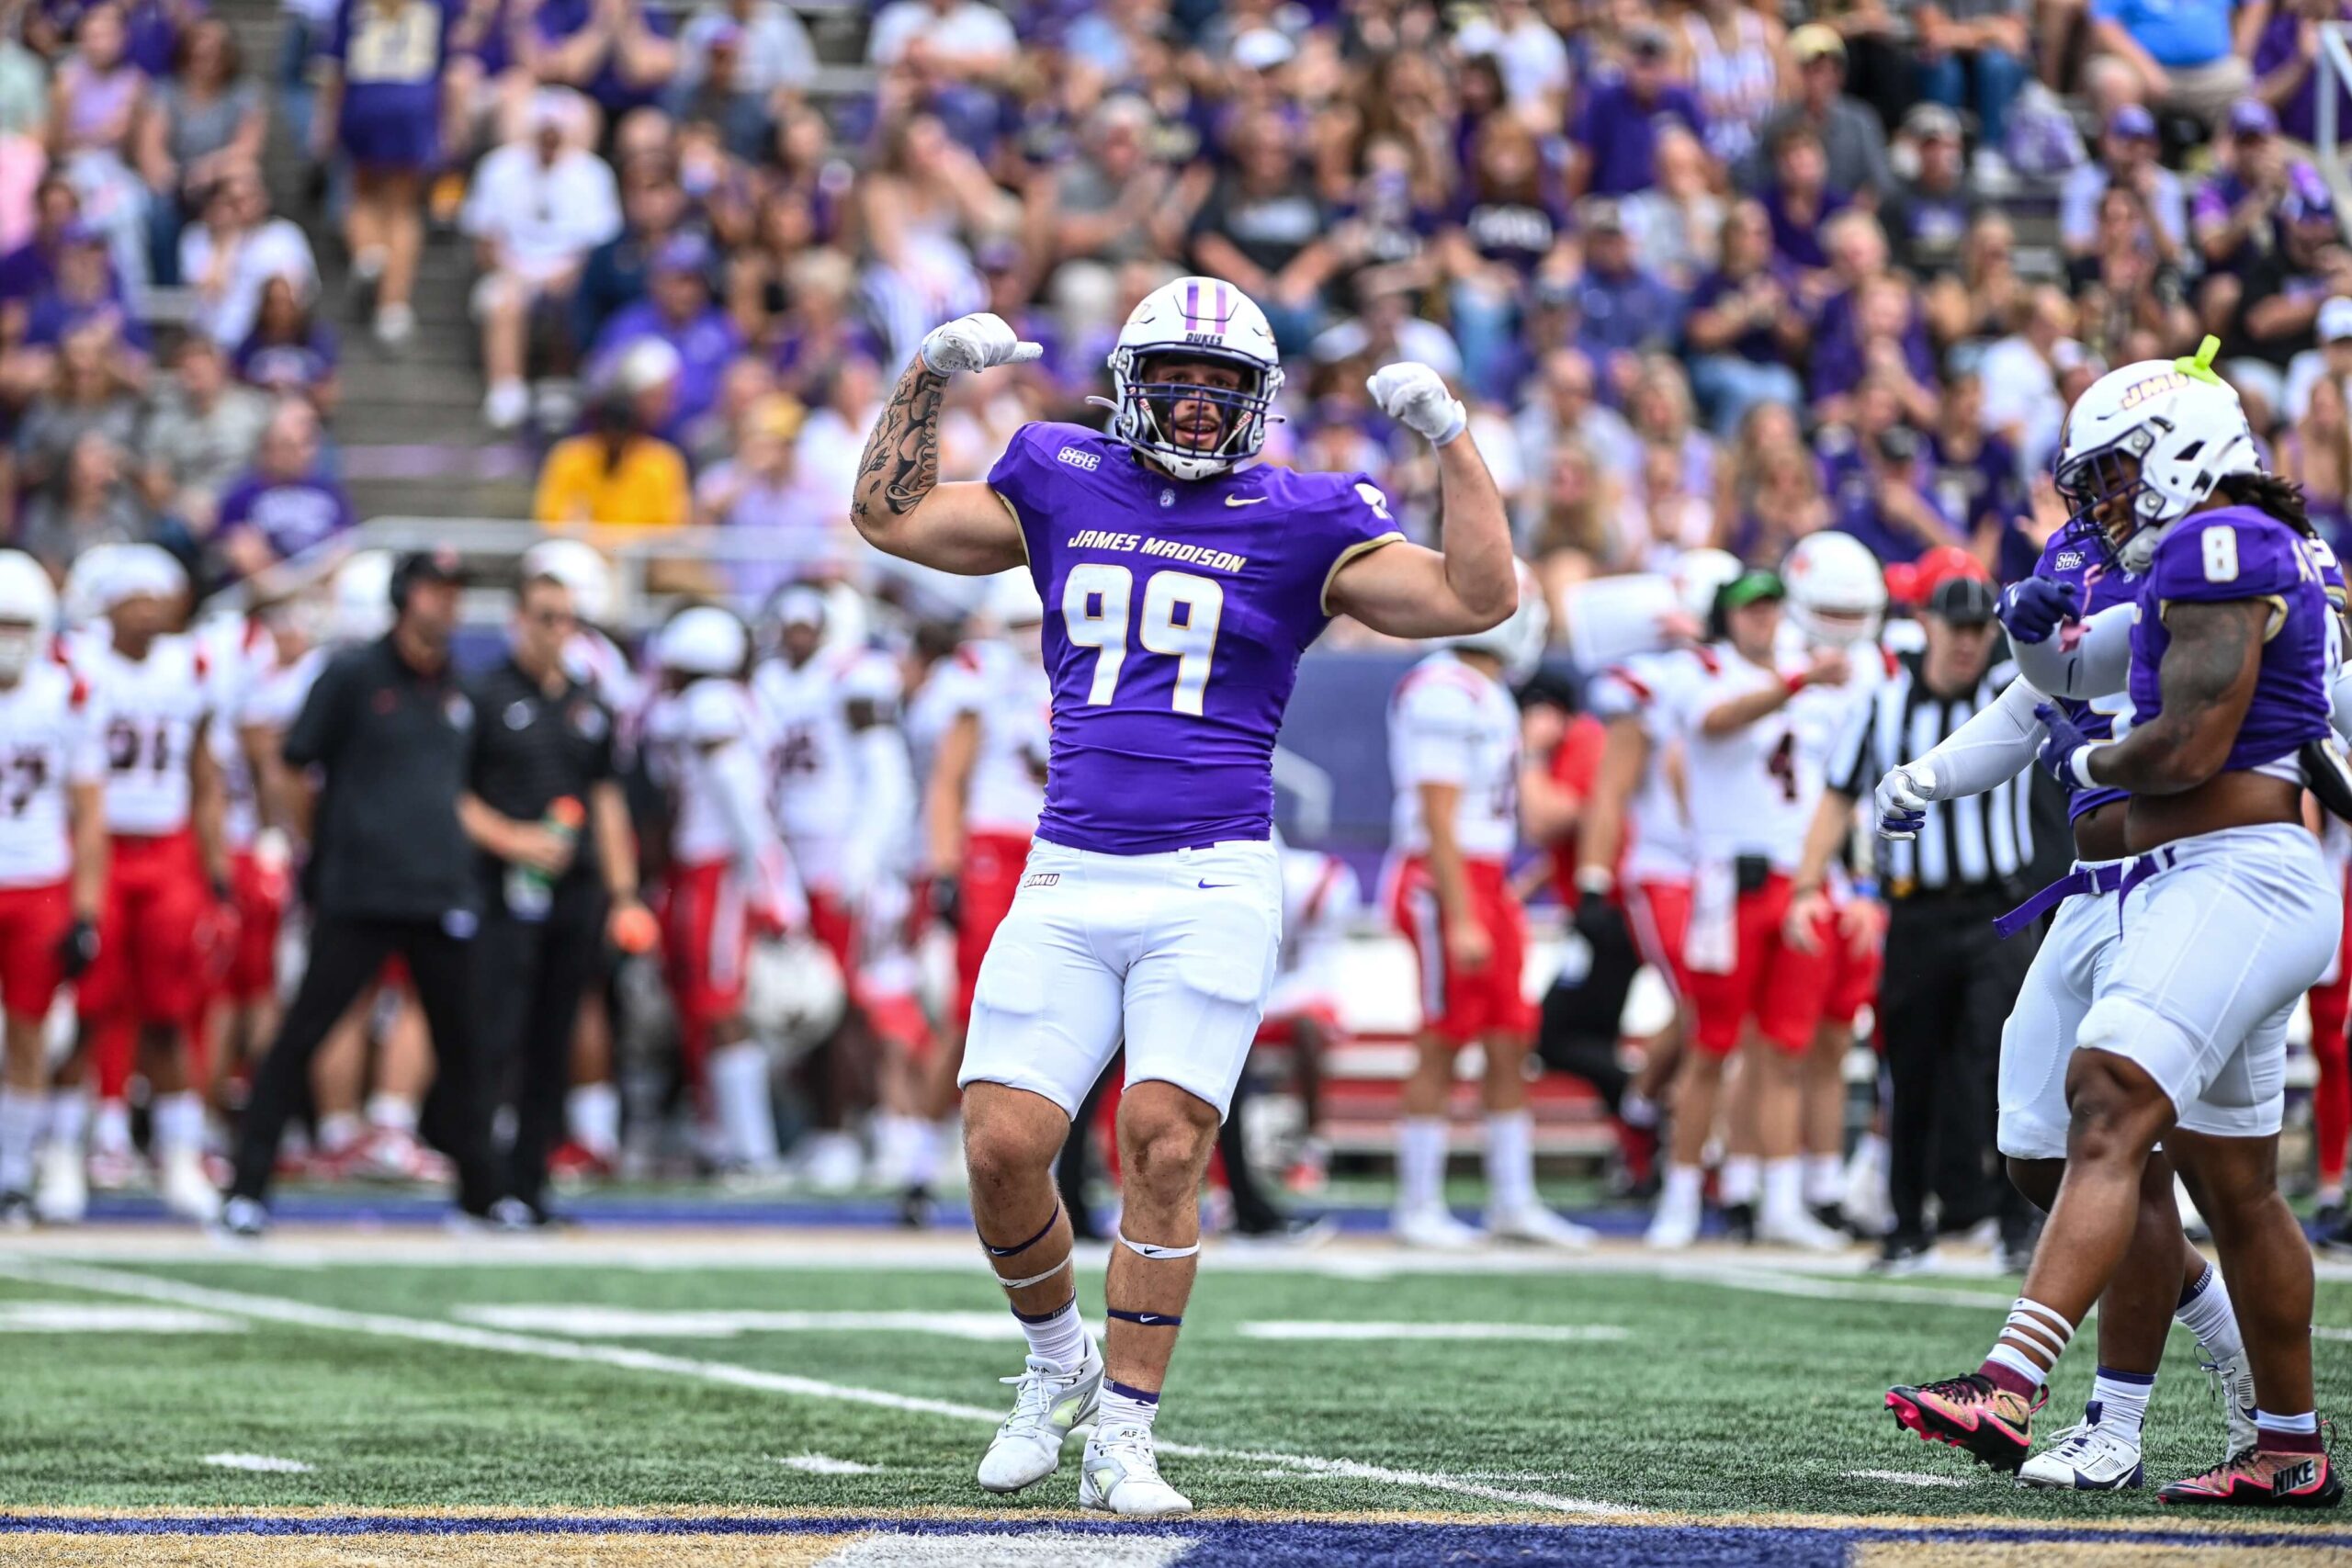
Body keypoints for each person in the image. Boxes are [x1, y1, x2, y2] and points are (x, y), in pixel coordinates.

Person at [847, 279, 1516, 1516]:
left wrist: (1450, 436)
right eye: (1181, 383)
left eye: (1224, 389)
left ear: (1255, 401)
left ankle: (1127, 1430)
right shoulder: (1057, 470)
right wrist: (928, 377)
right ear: (1134, 384)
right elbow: (889, 517)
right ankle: (1057, 1362)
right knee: (1002, 1146)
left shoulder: (1308, 513)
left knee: (1163, 1139)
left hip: (1211, 871)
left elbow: (1481, 598)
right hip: (1069, 861)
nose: (1201, 409)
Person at [1886, 344, 2343, 1506]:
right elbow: (2067, 670)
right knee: (2224, 1183)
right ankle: (2288, 1443)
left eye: (2116, 473)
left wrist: (2088, 752)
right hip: (2168, 878)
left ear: (2183, 450)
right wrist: (2033, 655)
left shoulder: (2218, 540)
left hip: (2224, 866)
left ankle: (2015, 1378)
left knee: (2111, 1099)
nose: (2098, 503)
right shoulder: (2185, 553)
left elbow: (2181, 739)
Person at [1868, 506, 2262, 1487]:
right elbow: (2027, 707)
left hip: (2183, 880)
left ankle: (2106, 1423)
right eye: (2091, 474)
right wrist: (1926, 774)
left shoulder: (2214, 560)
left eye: (2119, 469)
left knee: (2127, 1151)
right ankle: (2235, 1352)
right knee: (2038, 1157)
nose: (2102, 494)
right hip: (2086, 894)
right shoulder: (2078, 555)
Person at [220, 549, 516, 1237]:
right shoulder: (353, 674)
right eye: (434, 590)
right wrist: (324, 840)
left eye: (454, 591)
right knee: (304, 1030)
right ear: (402, 596)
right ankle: (247, 1187)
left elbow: (456, 790)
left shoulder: (458, 689)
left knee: (465, 1044)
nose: (446, 603)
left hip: (439, 886)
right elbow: (294, 766)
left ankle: (481, 1194)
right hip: (358, 887)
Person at [1642, 568, 1853, 1251]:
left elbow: (1836, 788)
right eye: (1749, 609)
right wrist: (1798, 683)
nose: (1762, 620)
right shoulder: (1702, 669)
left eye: (1770, 608)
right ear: (1727, 616)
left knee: (1787, 1048)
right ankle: (1678, 1194)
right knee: (1711, 1044)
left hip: (1798, 882)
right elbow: (1715, 719)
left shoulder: (1810, 677)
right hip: (1729, 882)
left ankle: (1782, 1197)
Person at [1385, 566, 1594, 1249]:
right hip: (1445, 878)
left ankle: (1513, 1198)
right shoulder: (1442, 689)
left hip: (1484, 878)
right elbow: (1438, 816)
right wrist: (1463, 909)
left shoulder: (1487, 691)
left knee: (1510, 1037)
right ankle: (1417, 1203)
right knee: (1444, 1038)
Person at [44, 546, 227, 1224]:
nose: (152, 606)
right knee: (88, 1007)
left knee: (169, 1008)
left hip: (168, 852)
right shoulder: (79, 661)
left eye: (162, 594)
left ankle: (180, 1155)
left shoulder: (192, 665)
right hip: (99, 848)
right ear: (110, 601)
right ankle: (64, 1149)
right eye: (138, 594)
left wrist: (217, 871)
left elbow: (205, 776)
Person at [459, 570, 646, 1222]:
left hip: (576, 892)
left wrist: (624, 892)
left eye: (567, 618)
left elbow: (607, 799)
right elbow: (454, 795)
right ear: (517, 620)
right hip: (501, 890)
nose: (557, 631)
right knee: (494, 1038)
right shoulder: (483, 696)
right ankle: (480, 1186)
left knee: (553, 1038)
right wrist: (515, 840)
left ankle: (530, 1185)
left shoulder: (588, 701)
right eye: (545, 616)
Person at [0, 551, 106, 1228]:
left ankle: (12, 1172)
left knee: (32, 1032)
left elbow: (89, 809)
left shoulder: (67, 689)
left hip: (38, 881)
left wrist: (87, 908)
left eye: (17, 623)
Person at [464, 91, 624, 431]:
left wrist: (566, 273)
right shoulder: (499, 167)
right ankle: (506, 389)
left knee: (576, 297)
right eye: (543, 132)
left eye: (556, 133)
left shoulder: (592, 174)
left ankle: (562, 381)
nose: (549, 141)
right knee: (501, 299)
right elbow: (484, 240)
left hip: (570, 271)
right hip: (512, 270)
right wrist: (513, 272)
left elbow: (599, 246)